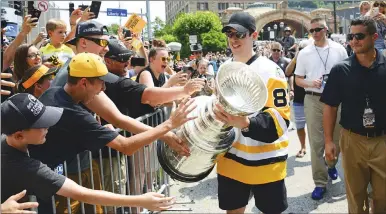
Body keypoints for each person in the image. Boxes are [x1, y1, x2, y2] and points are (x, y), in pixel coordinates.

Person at [1, 93, 176, 212]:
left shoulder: (7, 141)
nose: (48, 126)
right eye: (41, 125)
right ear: (19, 135)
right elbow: (82, 193)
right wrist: (140, 200)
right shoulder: (27, 168)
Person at [214, 12, 290, 214]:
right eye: (229, 34)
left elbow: (281, 120)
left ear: (254, 36)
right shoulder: (223, 68)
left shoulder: (271, 70)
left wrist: (246, 123)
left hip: (267, 162)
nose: (233, 39)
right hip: (231, 158)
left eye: (239, 34)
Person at [321, 17, 386, 214]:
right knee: (356, 199)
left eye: (359, 36)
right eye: (351, 36)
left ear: (374, 37)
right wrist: (328, 141)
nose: (354, 41)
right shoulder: (341, 70)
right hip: (352, 141)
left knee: (383, 199)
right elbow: (330, 107)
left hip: (382, 140)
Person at [294, 18, 348, 200]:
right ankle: (320, 182)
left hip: (336, 101)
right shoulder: (305, 53)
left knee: (336, 140)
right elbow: (297, 79)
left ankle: (331, 164)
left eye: (318, 29)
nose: (315, 33)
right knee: (316, 143)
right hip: (313, 99)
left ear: (326, 29)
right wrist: (310, 82)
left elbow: (347, 73)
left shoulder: (339, 50)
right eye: (312, 31)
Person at [285, 40, 310, 158]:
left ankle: (321, 151)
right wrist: (296, 57)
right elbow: (288, 72)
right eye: (301, 49)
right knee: (300, 126)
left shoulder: (313, 60)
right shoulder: (296, 61)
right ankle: (303, 147)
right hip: (299, 100)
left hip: (313, 99)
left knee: (317, 127)